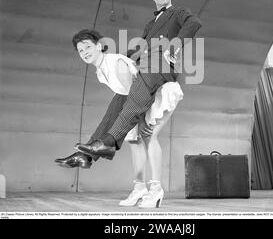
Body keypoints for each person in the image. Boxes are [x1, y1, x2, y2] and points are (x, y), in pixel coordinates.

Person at [75, 0, 202, 164]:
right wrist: (123, 59)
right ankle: (87, 155)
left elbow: (194, 23)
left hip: (162, 65)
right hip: (145, 66)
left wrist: (174, 46)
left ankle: (109, 142)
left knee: (135, 93)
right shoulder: (150, 24)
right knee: (118, 102)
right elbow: (139, 47)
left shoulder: (178, 12)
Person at [55, 29, 183, 208]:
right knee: (133, 141)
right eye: (81, 51)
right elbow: (126, 97)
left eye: (88, 47)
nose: (85, 53)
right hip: (137, 98)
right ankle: (139, 188)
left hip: (159, 93)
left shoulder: (116, 64)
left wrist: (142, 122)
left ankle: (156, 189)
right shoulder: (101, 71)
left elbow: (138, 97)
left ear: (99, 46)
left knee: (149, 137)